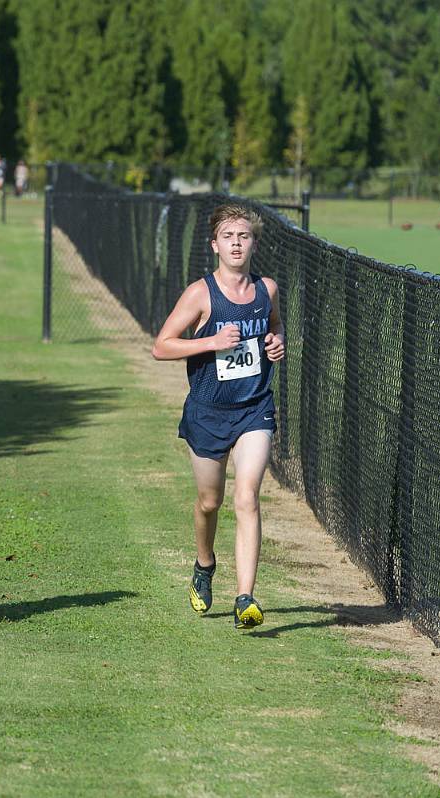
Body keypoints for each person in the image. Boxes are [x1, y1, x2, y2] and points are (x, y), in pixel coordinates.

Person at [151, 203, 285, 629]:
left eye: (243, 236)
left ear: (254, 243)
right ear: (215, 245)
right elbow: (162, 345)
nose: (236, 243)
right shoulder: (201, 293)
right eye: (228, 237)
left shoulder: (268, 289)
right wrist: (209, 342)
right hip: (208, 412)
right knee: (211, 502)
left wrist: (277, 342)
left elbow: (275, 326)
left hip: (254, 409)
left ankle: (245, 597)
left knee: (248, 497)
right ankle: (204, 565)